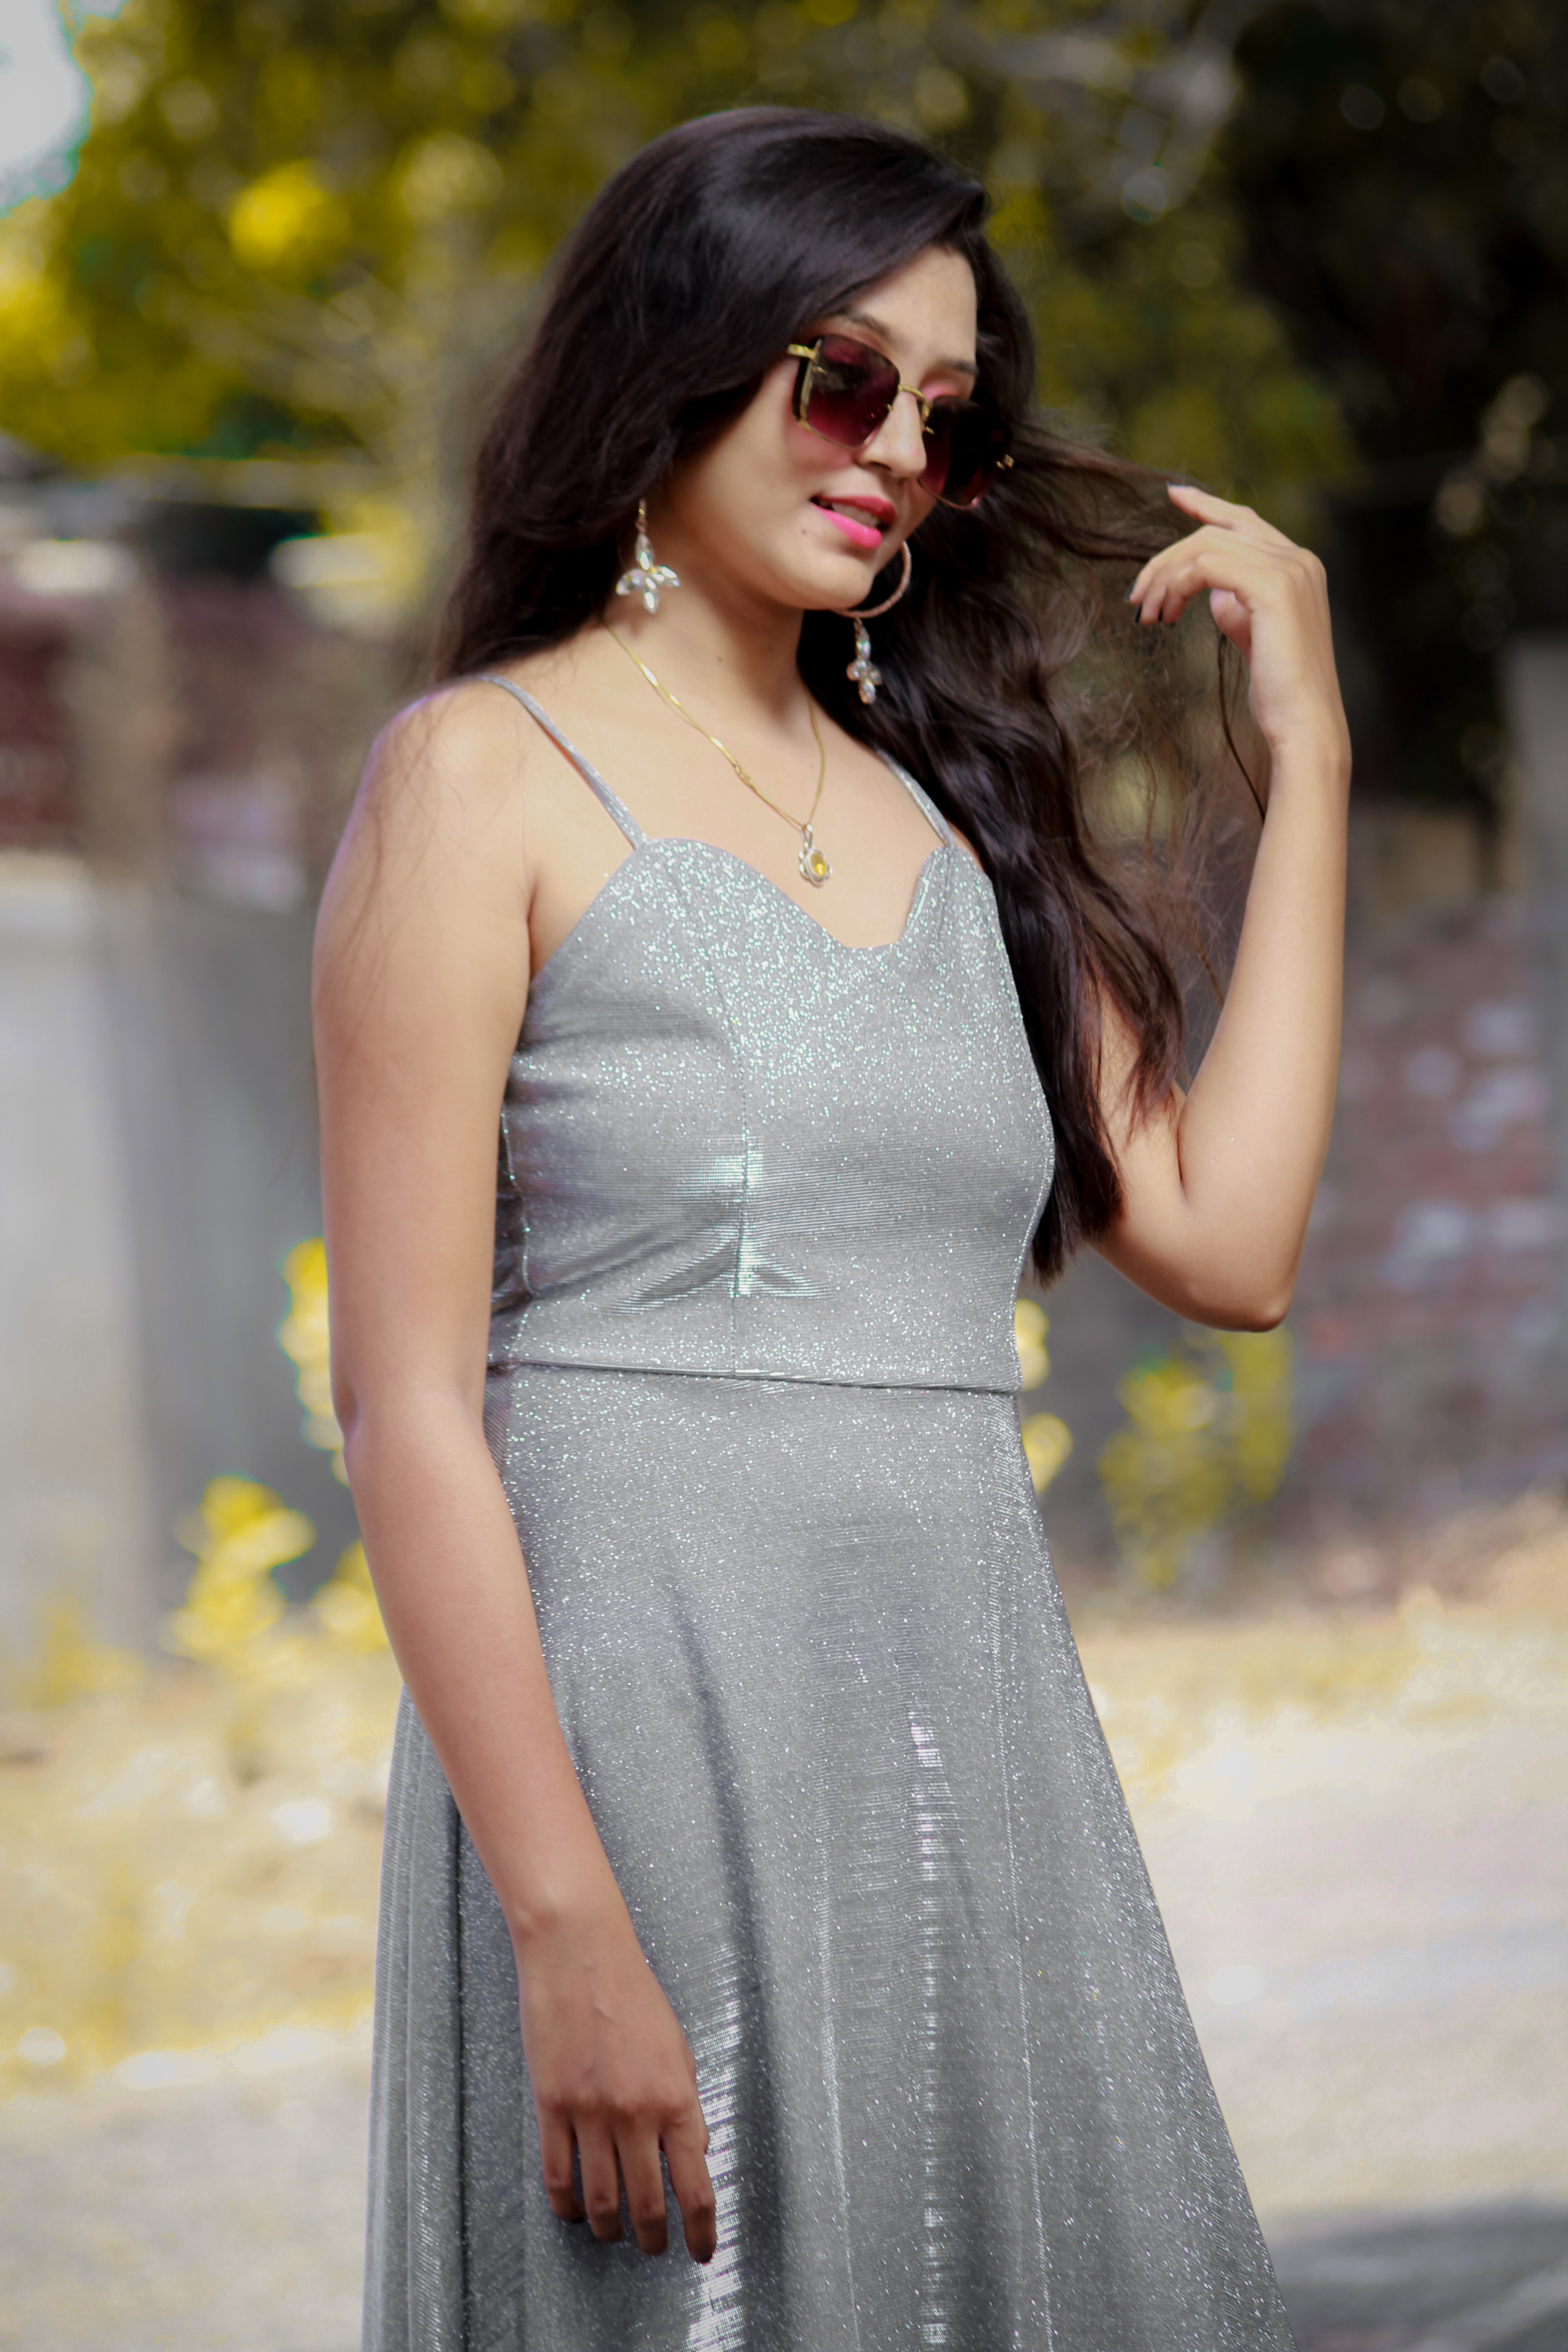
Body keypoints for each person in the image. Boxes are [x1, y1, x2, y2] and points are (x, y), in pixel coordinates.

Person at [315, 107, 1347, 2351]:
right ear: (678, 359)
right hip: (635, 1761)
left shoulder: (962, 818)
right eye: (842, 378)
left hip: (967, 1756)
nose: (892, 450)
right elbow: (405, 1409)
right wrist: (564, 1918)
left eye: (942, 420)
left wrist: (1314, 759)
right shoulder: (480, 777)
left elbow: (1235, 1243)